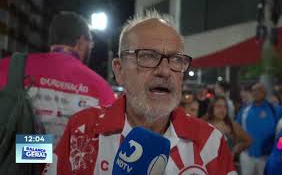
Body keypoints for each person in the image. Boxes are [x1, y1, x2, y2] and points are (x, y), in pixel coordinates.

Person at [44, 10, 237, 174]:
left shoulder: (211, 143)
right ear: (119, 70)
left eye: (176, 59)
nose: (164, 71)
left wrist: (26, 161)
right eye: (147, 56)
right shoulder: (87, 111)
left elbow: (25, 137)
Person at [0, 12, 115, 146]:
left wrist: (34, 151)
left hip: (11, 164)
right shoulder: (100, 87)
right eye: (90, 44)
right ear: (81, 43)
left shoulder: (9, 67)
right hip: (71, 165)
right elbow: (109, 143)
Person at [236, 82, 282, 175]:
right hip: (247, 155)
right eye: (253, 90)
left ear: (265, 93)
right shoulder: (245, 110)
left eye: (259, 90)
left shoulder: (276, 110)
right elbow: (236, 128)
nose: (255, 93)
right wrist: (239, 146)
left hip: (267, 156)